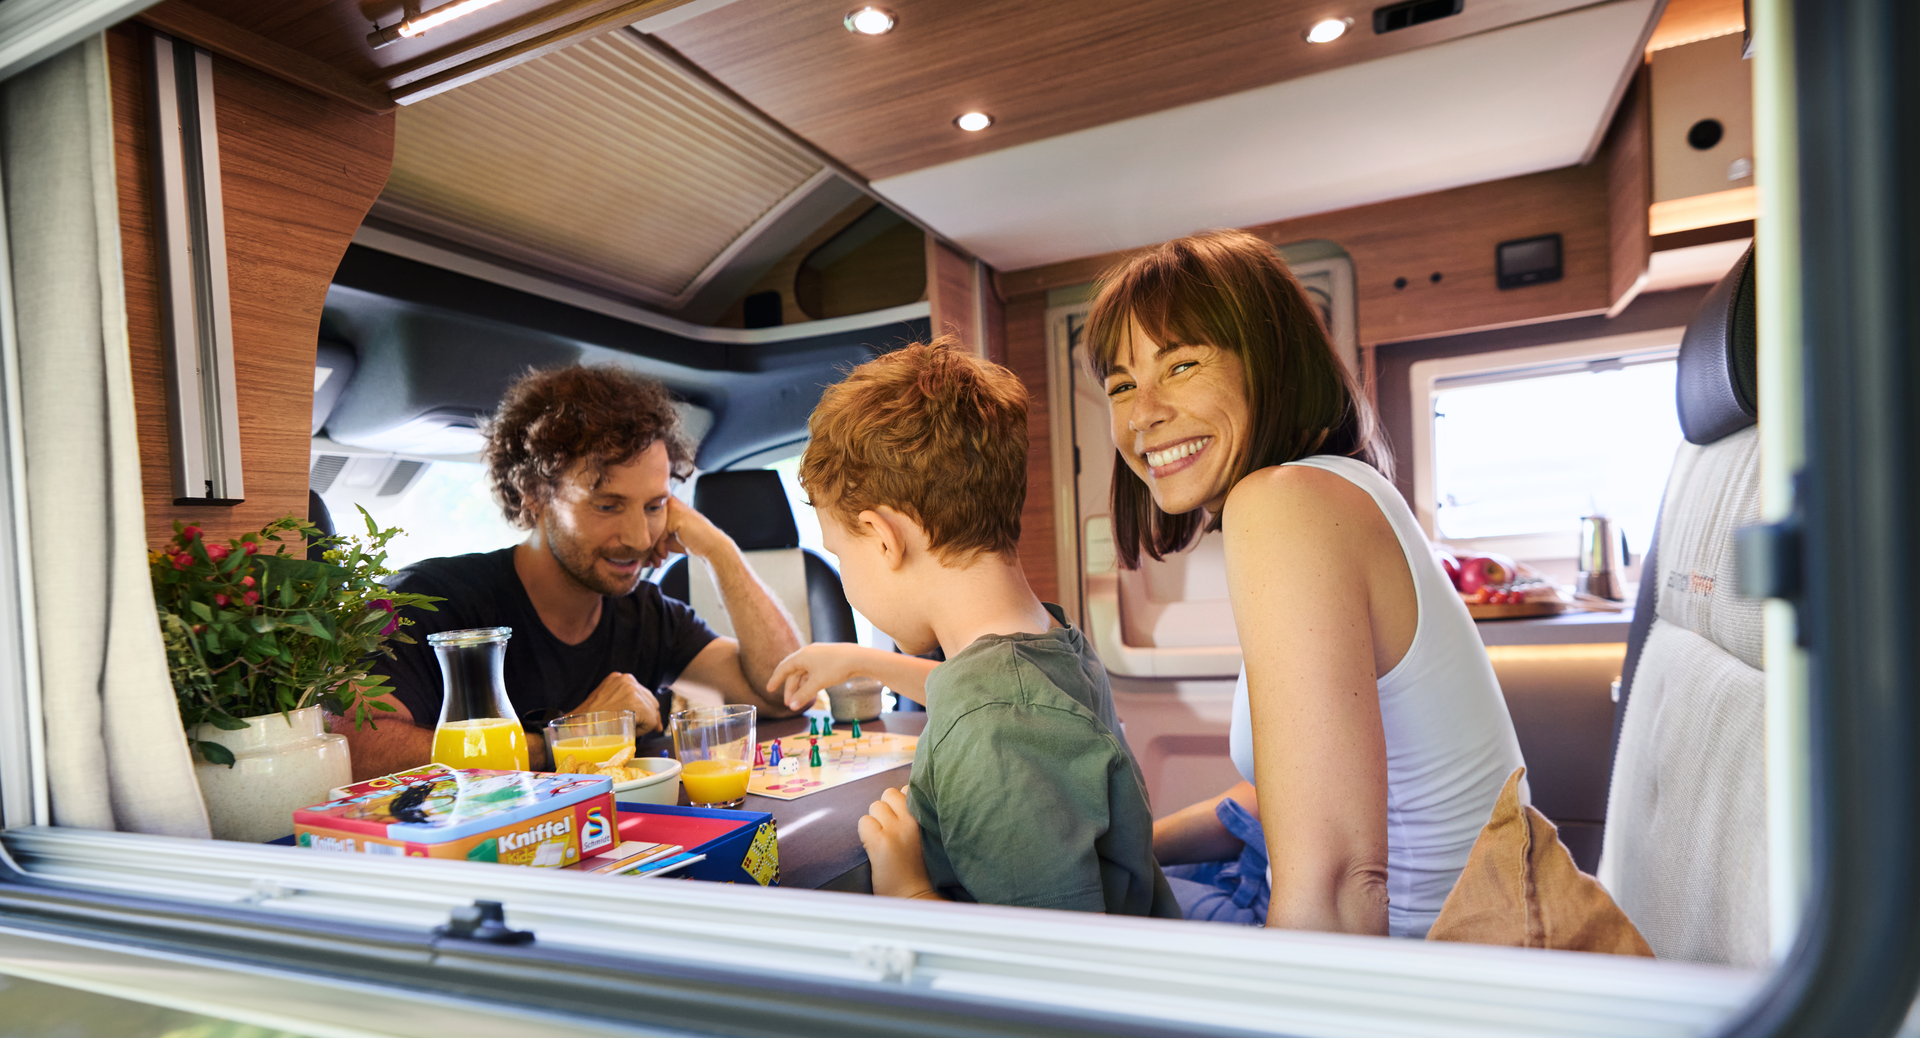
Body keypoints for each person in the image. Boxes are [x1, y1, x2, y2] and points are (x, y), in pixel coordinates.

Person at [1091, 230, 1525, 938]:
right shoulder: (1334, 490)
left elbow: (1337, 881)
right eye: (1121, 384)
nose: (1142, 414)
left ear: (1272, 364)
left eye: (1182, 364)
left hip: (1420, 967)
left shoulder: (1285, 502)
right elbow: (1277, 801)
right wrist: (1127, 848)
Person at [778, 339, 1178, 917]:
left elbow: (1042, 968)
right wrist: (862, 660)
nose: (845, 575)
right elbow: (979, 687)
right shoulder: (1048, 641)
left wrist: (908, 888)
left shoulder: (993, 733)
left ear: (883, 538)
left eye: (842, 555)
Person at [336, 365, 803, 780]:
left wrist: (718, 550)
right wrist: (567, 742)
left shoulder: (647, 615)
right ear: (535, 496)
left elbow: (782, 694)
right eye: (607, 505)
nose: (640, 537)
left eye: (655, 506)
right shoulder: (432, 601)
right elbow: (356, 750)